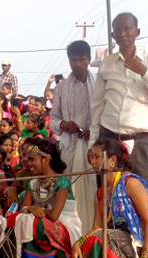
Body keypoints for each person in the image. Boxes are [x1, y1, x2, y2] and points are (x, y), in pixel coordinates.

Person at [90, 12, 148, 189]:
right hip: (109, 138)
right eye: (118, 30)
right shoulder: (107, 64)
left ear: (137, 32)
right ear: (113, 35)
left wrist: (144, 72)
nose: (122, 34)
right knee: (107, 194)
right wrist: (93, 145)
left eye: (127, 29)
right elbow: (97, 105)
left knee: (143, 195)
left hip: (140, 142)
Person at [11, 138, 82, 258]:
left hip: (65, 224)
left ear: (46, 160)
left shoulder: (62, 182)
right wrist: (31, 208)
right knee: (19, 219)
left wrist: (38, 210)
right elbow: (24, 209)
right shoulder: (33, 182)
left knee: (36, 223)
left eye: (32, 159)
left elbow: (54, 216)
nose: (29, 163)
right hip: (41, 220)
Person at [50, 40, 95, 232]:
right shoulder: (61, 88)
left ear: (89, 60)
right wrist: (62, 124)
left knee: (92, 191)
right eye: (73, 60)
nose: (77, 64)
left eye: (81, 60)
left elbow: (106, 115)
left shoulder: (100, 84)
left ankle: (92, 233)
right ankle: (69, 233)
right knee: (70, 191)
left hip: (93, 147)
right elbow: (53, 119)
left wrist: (95, 130)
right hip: (69, 147)